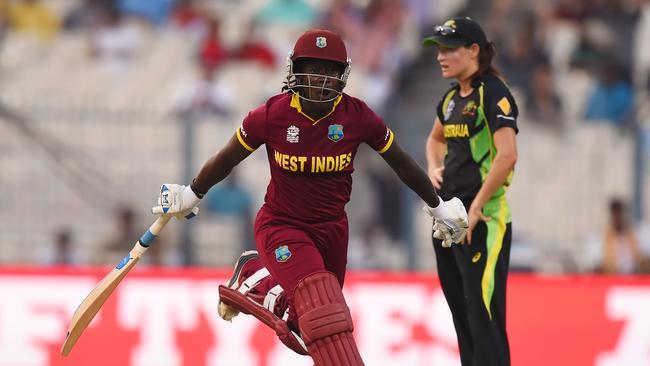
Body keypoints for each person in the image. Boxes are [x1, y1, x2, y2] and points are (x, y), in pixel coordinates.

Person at [151, 29, 468, 365]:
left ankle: (255, 277)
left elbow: (400, 163)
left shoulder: (357, 117)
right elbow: (228, 158)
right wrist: (191, 193)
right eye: (313, 69)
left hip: (332, 230)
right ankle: (260, 277)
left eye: (330, 72)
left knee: (310, 326)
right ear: (296, 72)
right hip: (282, 226)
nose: (321, 79)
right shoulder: (272, 116)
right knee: (324, 316)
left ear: (342, 76)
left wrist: (437, 205)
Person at [423, 17, 519, 366]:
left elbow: (507, 156)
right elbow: (434, 140)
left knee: (484, 318)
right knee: (463, 316)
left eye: (449, 49)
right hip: (448, 221)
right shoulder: (450, 100)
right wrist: (435, 167)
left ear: (474, 50)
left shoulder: (493, 93)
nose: (440, 57)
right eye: (438, 50)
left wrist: (477, 207)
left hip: (484, 222)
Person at [600, 198, 643, 274]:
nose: (617, 218)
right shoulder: (608, 235)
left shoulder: (630, 233)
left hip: (632, 273)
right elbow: (607, 261)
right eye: (615, 214)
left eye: (619, 214)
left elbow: (637, 256)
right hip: (615, 275)